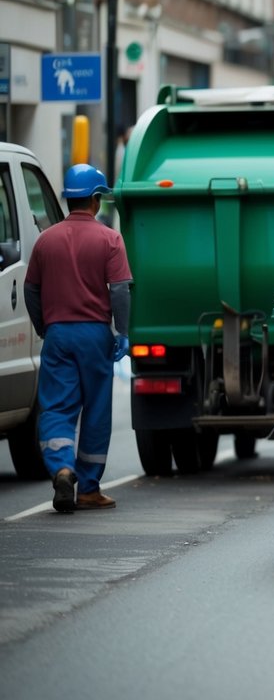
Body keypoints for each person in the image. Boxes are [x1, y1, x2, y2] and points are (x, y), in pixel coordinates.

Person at [24, 164, 132, 513]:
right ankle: (87, 487)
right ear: (96, 199)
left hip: (58, 333)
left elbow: (31, 290)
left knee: (56, 405)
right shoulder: (109, 238)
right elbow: (119, 290)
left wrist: (44, 326)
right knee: (97, 407)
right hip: (94, 333)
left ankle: (62, 467)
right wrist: (122, 331)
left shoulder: (46, 240)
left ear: (69, 199)